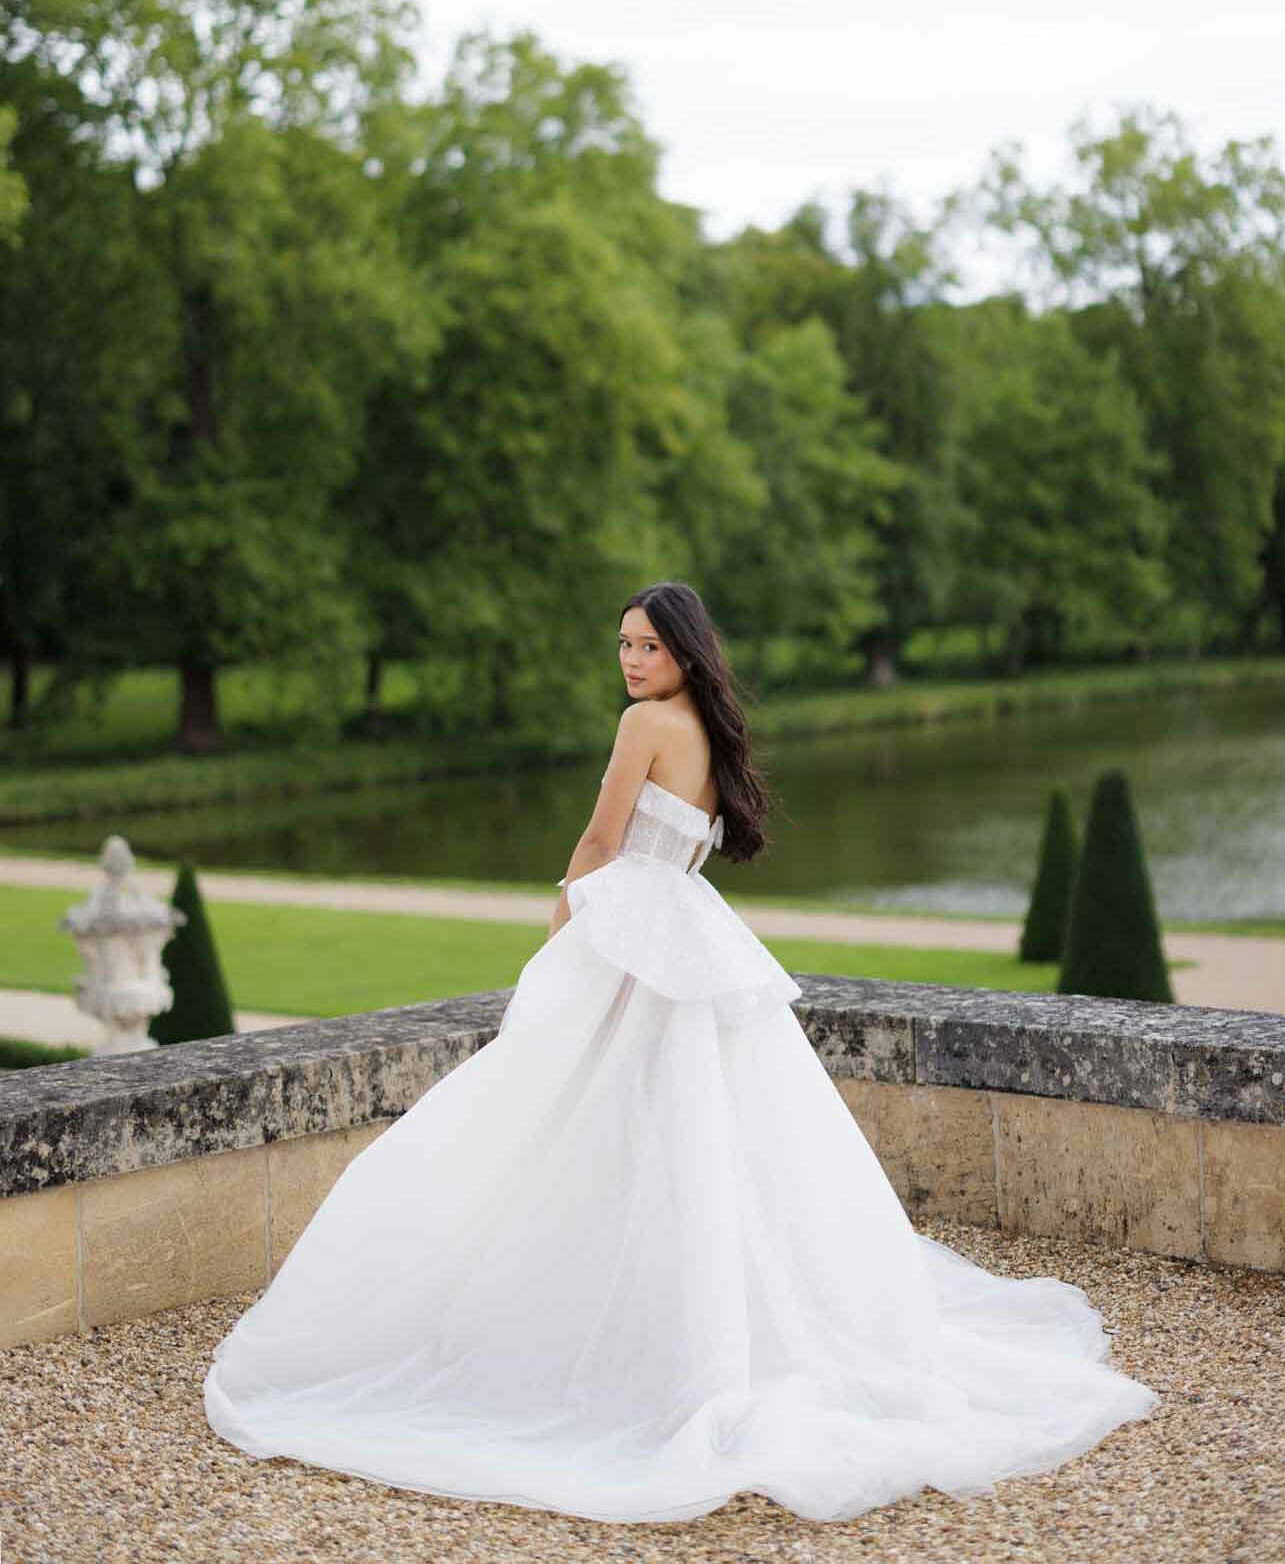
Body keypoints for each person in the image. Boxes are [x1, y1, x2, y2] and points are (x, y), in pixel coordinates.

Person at [203, 579, 1159, 1523]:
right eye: (621, 644)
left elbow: (601, 838)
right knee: (693, 1142)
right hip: (684, 930)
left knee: (570, 1121)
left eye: (647, 647)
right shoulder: (708, 728)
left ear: (684, 650)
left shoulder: (645, 728)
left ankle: (612, 1350)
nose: (630, 660)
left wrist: (557, 924)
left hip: (630, 935)